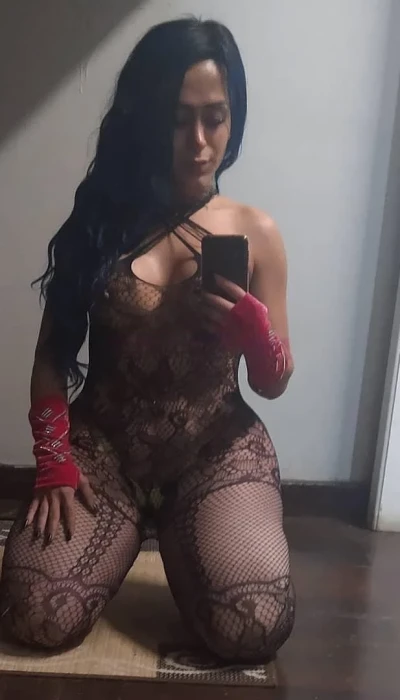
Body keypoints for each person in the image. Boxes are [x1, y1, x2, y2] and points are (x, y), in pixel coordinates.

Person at [0, 17, 295, 661]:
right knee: (34, 615)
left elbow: (274, 381)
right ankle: (136, 536)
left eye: (215, 118)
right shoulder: (99, 222)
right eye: (177, 119)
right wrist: (53, 459)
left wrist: (256, 337)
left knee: (254, 626)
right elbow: (51, 358)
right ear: (146, 116)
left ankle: (197, 544)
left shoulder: (257, 233)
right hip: (104, 452)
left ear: (235, 118)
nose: (198, 142)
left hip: (215, 451)